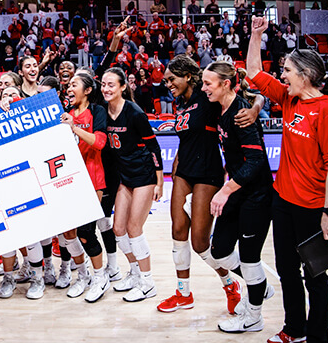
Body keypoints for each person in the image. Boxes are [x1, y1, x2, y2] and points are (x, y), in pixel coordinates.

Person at [247, 16, 328, 343]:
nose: (282, 75)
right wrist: (255, 35)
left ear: (305, 75)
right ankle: (294, 329)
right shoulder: (288, 98)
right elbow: (252, 73)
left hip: (312, 207)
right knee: (288, 271)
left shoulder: (327, 110)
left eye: (287, 70)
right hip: (283, 201)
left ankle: (318, 336)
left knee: (314, 275)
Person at [157, 55, 261, 314]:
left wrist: (255, 108)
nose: (168, 84)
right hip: (183, 172)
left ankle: (230, 284)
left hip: (208, 173)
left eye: (172, 79)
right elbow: (185, 139)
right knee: (178, 232)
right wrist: (175, 169)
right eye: (166, 81)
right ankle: (183, 293)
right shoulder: (181, 103)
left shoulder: (208, 96)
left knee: (200, 243)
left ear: (187, 76)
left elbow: (252, 96)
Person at [200, 61, 273, 333]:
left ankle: (254, 317)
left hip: (256, 193)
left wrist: (225, 189)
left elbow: (256, 160)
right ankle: (260, 286)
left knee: (250, 257)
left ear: (225, 84)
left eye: (209, 83)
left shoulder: (241, 114)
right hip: (238, 190)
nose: (204, 88)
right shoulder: (221, 108)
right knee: (219, 250)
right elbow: (258, 96)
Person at [101, 65, 164, 303]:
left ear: (123, 87)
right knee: (118, 229)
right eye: (104, 84)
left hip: (144, 176)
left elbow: (153, 146)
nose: (106, 89)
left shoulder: (135, 112)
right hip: (124, 177)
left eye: (111, 85)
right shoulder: (102, 111)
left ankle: (148, 284)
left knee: (134, 228)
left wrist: (159, 181)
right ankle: (136, 273)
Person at [58, 73, 111, 303]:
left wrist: (74, 128)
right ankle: (83, 275)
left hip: (92, 179)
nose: (69, 88)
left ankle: (100, 278)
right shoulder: (63, 113)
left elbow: (99, 142)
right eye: (68, 85)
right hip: (67, 179)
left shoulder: (97, 112)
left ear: (87, 90)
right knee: (69, 234)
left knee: (87, 232)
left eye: (74, 85)